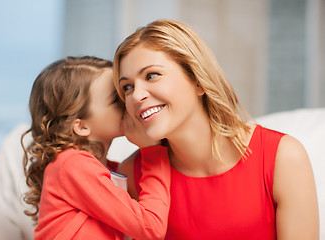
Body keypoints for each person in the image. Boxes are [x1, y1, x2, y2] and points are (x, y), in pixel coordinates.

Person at [113, 19, 319, 239]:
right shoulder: (132, 175)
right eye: (127, 87)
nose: (136, 96)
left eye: (151, 75)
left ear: (198, 80)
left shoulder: (283, 158)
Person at [21, 56, 170, 240]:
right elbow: (150, 228)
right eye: (116, 99)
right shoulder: (73, 165)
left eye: (125, 91)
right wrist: (152, 150)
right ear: (82, 126)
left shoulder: (109, 169)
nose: (129, 101)